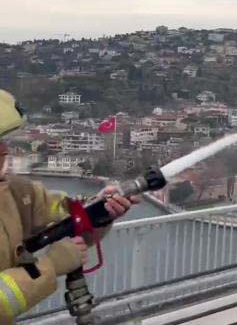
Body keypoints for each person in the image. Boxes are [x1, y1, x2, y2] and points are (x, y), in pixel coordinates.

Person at [0, 90, 138, 323]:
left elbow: (65, 214)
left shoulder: (15, 193)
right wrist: (51, 265)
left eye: (3, 140)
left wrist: (99, 210)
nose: (4, 151)